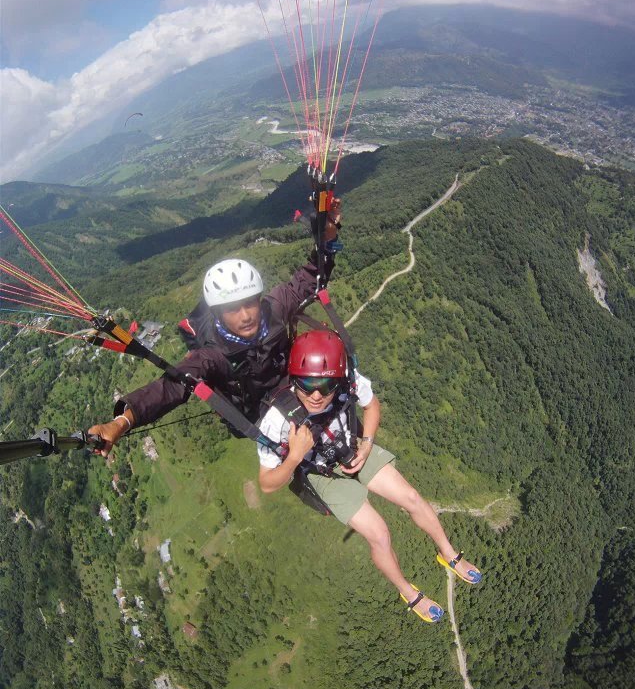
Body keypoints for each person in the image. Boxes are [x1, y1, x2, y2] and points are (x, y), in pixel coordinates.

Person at [257, 329, 482, 623]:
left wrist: (367, 444)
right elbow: (267, 483)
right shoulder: (276, 419)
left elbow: (371, 404)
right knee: (379, 533)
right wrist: (295, 456)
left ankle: (449, 554)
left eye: (326, 385)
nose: (316, 395)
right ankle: (409, 593)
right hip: (319, 472)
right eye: (306, 384)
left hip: (351, 446)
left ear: (337, 378)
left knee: (411, 497)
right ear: (293, 378)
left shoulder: (349, 379)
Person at [88, 200, 342, 455]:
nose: (245, 316)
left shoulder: (274, 309)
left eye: (250, 303)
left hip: (289, 386)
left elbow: (308, 279)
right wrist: (121, 422)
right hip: (256, 412)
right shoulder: (212, 355)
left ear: (259, 299)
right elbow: (172, 386)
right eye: (232, 309)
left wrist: (328, 239)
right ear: (218, 314)